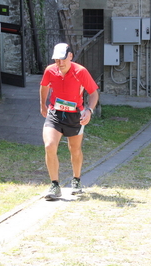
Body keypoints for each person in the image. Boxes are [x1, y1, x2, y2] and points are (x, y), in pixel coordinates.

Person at [40, 43, 99, 201]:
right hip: (55, 113)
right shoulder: (50, 70)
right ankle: (54, 185)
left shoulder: (80, 72)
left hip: (75, 115)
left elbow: (93, 94)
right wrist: (42, 104)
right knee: (49, 145)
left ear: (70, 56)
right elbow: (44, 86)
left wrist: (89, 111)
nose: (60, 62)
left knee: (75, 150)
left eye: (63, 59)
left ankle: (76, 180)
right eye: (57, 59)